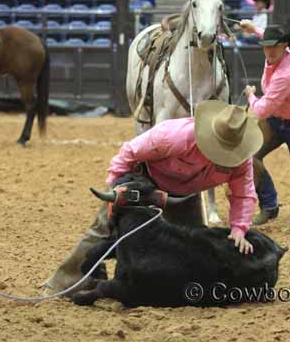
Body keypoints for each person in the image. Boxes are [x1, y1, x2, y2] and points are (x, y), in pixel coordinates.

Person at [43, 101, 264, 294]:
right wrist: (114, 185)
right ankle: (68, 283)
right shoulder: (175, 135)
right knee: (104, 228)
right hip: (145, 180)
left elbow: (244, 194)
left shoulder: (241, 160)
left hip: (186, 195)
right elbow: (129, 152)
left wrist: (239, 229)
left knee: (191, 244)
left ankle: (161, 287)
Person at [240, 22, 290, 231]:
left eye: (274, 46)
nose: (270, 50)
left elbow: (260, 110)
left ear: (284, 46)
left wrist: (250, 95)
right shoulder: (282, 55)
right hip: (276, 120)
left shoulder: (286, 75)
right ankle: (269, 205)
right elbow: (266, 35)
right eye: (266, 45)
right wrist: (252, 28)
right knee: (249, 153)